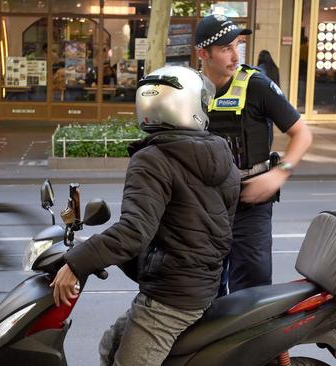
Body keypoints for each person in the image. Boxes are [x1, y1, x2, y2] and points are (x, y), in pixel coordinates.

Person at [50, 65, 240, 366]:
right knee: (110, 344)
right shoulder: (222, 156)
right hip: (198, 284)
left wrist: (77, 263)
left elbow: (135, 232)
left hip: (172, 297)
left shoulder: (153, 159)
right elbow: (196, 225)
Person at [194, 14, 313, 294]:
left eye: (238, 45)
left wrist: (278, 174)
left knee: (251, 292)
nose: (235, 55)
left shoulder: (257, 85)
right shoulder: (190, 90)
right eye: (226, 48)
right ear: (203, 53)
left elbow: (302, 134)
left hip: (250, 203)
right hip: (204, 204)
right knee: (201, 290)